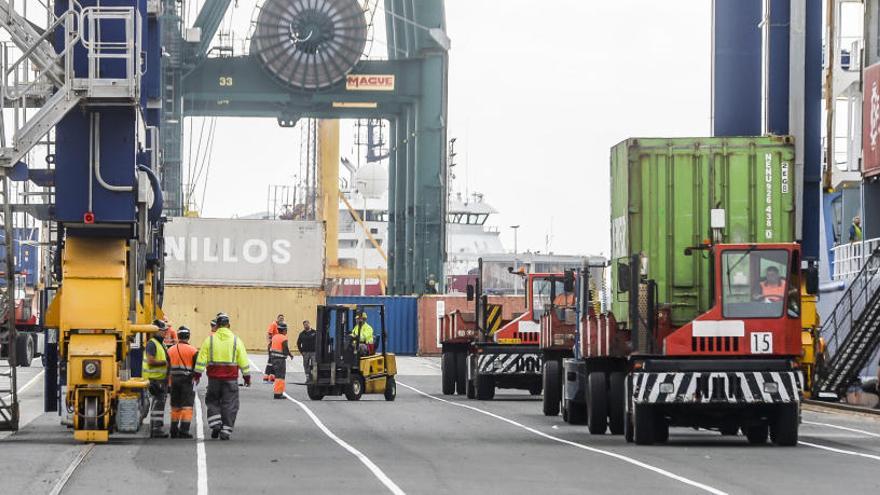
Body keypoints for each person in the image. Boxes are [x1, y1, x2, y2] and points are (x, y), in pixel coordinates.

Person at [193, 313, 251, 441]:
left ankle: (215, 424)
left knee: (212, 400)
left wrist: (197, 375)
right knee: (230, 404)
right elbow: (243, 361)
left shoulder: (210, 340)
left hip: (213, 379)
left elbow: (201, 359)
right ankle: (226, 431)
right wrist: (246, 377)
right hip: (231, 379)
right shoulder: (236, 340)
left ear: (217, 325)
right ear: (229, 325)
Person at [168, 326, 199, 438]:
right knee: (187, 406)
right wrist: (196, 379)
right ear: (188, 336)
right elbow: (198, 369)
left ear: (178, 336)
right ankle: (184, 431)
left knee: (175, 406)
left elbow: (167, 367)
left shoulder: (170, 350)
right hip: (187, 381)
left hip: (173, 381)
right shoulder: (193, 350)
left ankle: (173, 430)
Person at [142, 320, 170, 438]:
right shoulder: (152, 344)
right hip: (154, 379)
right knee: (158, 404)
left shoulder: (160, 344)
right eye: (163, 331)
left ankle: (156, 428)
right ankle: (156, 429)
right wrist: (164, 363)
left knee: (159, 404)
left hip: (159, 379)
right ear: (156, 331)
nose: (165, 333)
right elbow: (150, 361)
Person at [268, 323, 293, 399]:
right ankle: (278, 394)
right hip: (280, 360)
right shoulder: (284, 338)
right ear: (284, 330)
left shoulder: (274, 337)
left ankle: (277, 392)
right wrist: (290, 355)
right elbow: (285, 348)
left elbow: (269, 347)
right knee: (280, 377)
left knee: (277, 377)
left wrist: (271, 356)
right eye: (286, 330)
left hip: (273, 359)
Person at [264, 314, 285, 382]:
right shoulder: (274, 324)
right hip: (273, 345)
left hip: (277, 345)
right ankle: (267, 376)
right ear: (277, 318)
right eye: (280, 318)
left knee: (273, 361)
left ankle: (271, 376)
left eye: (282, 319)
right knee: (271, 361)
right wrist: (271, 343)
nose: (281, 320)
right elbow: (270, 333)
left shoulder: (281, 326)